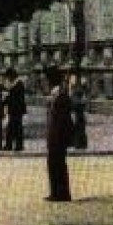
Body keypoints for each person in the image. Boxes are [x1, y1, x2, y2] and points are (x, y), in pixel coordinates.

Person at [44, 68, 74, 202]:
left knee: (58, 164)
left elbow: (61, 121)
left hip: (58, 138)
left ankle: (61, 193)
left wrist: (55, 139)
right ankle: (56, 191)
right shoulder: (56, 95)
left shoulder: (61, 96)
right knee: (54, 164)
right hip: (54, 137)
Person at [4, 69, 27, 152]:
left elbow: (16, 99)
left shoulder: (18, 84)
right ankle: (11, 145)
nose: (8, 79)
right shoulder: (15, 85)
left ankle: (17, 145)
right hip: (14, 110)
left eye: (8, 77)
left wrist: (7, 99)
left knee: (16, 128)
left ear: (12, 76)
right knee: (13, 128)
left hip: (17, 110)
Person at [69, 74, 89, 152]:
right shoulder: (73, 78)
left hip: (79, 104)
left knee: (80, 124)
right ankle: (79, 143)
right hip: (77, 104)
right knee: (78, 124)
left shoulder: (77, 79)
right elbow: (71, 91)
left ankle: (80, 143)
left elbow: (85, 92)